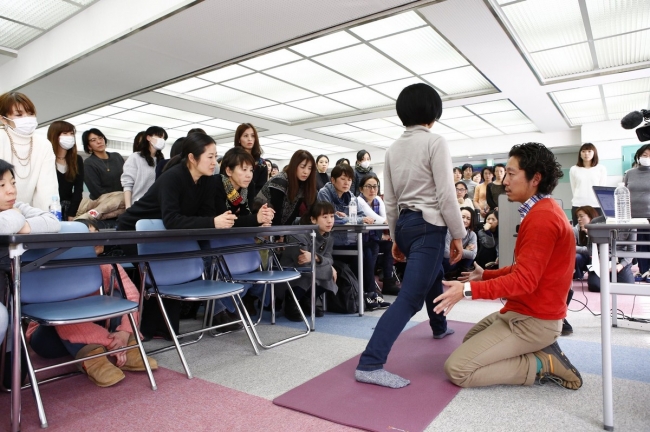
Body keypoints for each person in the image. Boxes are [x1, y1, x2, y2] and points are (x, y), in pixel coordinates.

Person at [435, 142, 583, 391]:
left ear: (535, 178)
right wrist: (486, 275)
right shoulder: (542, 211)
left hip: (535, 321)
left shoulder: (542, 219)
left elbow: (524, 281)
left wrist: (467, 290)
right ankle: (538, 349)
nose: (505, 181)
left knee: (458, 369)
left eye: (511, 174)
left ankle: (542, 362)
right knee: (470, 340)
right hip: (523, 311)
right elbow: (525, 271)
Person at [355, 83, 465, 389]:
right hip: (429, 226)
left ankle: (439, 326)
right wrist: (458, 234)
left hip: (404, 224)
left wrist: (395, 237)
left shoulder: (393, 149)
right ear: (433, 113)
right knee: (410, 299)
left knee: (434, 274)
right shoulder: (435, 141)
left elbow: (390, 200)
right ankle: (370, 363)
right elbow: (445, 193)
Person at [117, 133, 237, 340]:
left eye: (215, 156)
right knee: (161, 273)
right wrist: (212, 222)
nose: (213, 162)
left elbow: (205, 215)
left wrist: (218, 220)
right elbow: (172, 219)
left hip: (165, 234)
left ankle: (162, 329)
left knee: (175, 271)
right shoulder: (172, 177)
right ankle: (145, 328)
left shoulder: (208, 181)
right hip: (133, 232)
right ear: (192, 158)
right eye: (209, 156)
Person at [28, 218, 158, 388]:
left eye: (96, 234)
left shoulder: (108, 265)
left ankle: (129, 346)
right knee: (66, 307)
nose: (94, 239)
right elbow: (61, 312)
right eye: (87, 235)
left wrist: (125, 333)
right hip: (47, 337)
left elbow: (133, 296)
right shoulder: (57, 269)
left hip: (89, 331)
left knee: (118, 295)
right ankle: (94, 358)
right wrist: (112, 341)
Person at [317, 164, 388, 310]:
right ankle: (363, 294)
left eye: (349, 180)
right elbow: (329, 219)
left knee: (372, 247)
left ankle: (369, 293)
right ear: (333, 179)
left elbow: (361, 215)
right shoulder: (324, 193)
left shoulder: (351, 196)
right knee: (364, 252)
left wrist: (353, 218)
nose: (346, 183)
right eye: (343, 179)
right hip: (332, 242)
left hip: (349, 241)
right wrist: (351, 218)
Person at [0, 92, 58, 211]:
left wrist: (47, 217)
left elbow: (47, 188)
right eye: (19, 115)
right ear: (3, 119)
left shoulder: (43, 145)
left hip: (26, 213)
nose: (27, 118)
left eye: (30, 114)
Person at [280, 201, 337, 321]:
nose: (330, 221)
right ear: (313, 219)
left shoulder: (328, 237)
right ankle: (291, 301)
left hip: (311, 269)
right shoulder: (300, 235)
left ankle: (306, 299)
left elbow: (329, 259)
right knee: (314, 273)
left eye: (332, 216)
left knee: (331, 273)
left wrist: (315, 257)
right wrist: (328, 267)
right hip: (291, 273)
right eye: (325, 217)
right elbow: (303, 264)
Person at [357, 173, 399, 295]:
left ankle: (388, 282)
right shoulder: (358, 201)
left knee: (389, 246)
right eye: (368, 186)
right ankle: (369, 288)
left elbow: (385, 218)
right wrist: (386, 222)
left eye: (375, 186)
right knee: (372, 248)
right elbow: (378, 219)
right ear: (361, 188)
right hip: (359, 240)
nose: (372, 190)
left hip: (373, 238)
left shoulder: (378, 200)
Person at [215, 147, 274, 227]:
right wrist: (256, 219)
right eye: (244, 169)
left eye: (251, 170)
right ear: (229, 171)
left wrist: (262, 218)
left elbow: (246, 215)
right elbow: (225, 221)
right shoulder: (216, 183)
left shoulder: (249, 186)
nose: (249, 175)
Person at [0, 159, 61, 235]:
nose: (12, 190)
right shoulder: (15, 210)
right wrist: (15, 213)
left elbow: (53, 222)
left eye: (13, 183)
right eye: (2, 185)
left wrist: (21, 226)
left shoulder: (16, 206)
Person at [256, 150, 317, 226]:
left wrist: (284, 234)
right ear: (294, 165)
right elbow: (276, 212)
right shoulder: (280, 181)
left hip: (281, 228)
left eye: (309, 168)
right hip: (262, 224)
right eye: (302, 167)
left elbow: (293, 213)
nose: (306, 172)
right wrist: (278, 235)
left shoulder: (303, 184)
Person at [121, 126, 167, 208]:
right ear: (149, 138)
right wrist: (128, 207)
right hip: (138, 204)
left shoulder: (161, 160)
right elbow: (127, 184)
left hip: (156, 206)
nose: (162, 140)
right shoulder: (135, 157)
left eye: (164, 138)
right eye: (159, 137)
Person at [47, 121, 84, 220]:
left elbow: (78, 189)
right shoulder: (46, 158)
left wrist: (72, 213)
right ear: (54, 135)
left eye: (72, 134)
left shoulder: (77, 160)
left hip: (69, 208)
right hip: (48, 207)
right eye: (65, 133)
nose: (69, 137)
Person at [624, 144, 650, 280]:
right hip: (633, 216)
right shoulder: (629, 173)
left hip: (649, 215)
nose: (647, 158)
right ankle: (642, 270)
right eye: (644, 155)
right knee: (638, 245)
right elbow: (623, 192)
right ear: (638, 156)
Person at [82, 128, 125, 200]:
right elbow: (96, 191)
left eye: (100, 138)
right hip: (103, 203)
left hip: (124, 200)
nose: (99, 142)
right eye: (93, 140)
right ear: (89, 146)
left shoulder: (117, 156)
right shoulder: (89, 163)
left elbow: (127, 178)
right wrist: (117, 198)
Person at [570, 143, 607, 225]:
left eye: (589, 151)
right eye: (583, 151)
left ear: (594, 153)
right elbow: (574, 187)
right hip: (578, 204)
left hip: (596, 205)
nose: (586, 154)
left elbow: (601, 188)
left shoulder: (601, 168)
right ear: (580, 153)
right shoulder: (574, 169)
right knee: (578, 231)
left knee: (597, 231)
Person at [234, 123, 267, 207]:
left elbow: (261, 188)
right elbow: (225, 182)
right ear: (239, 139)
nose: (250, 139)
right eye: (245, 136)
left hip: (252, 204)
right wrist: (236, 203)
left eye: (252, 136)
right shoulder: (232, 159)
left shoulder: (261, 164)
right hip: (230, 202)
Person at [442, 207, 477, 278]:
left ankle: (461, 275)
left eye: (468, 218)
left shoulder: (472, 234)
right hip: (448, 262)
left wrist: (458, 252)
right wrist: (464, 250)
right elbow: (446, 253)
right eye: (462, 217)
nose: (464, 220)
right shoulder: (448, 230)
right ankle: (447, 275)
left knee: (469, 259)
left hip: (459, 261)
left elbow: (473, 255)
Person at [574, 205, 598, 280]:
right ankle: (578, 275)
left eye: (581, 216)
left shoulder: (599, 228)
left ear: (590, 216)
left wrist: (588, 233)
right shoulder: (576, 229)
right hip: (583, 258)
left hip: (597, 258)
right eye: (578, 217)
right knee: (575, 257)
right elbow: (571, 247)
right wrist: (586, 250)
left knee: (595, 284)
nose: (579, 219)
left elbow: (597, 249)